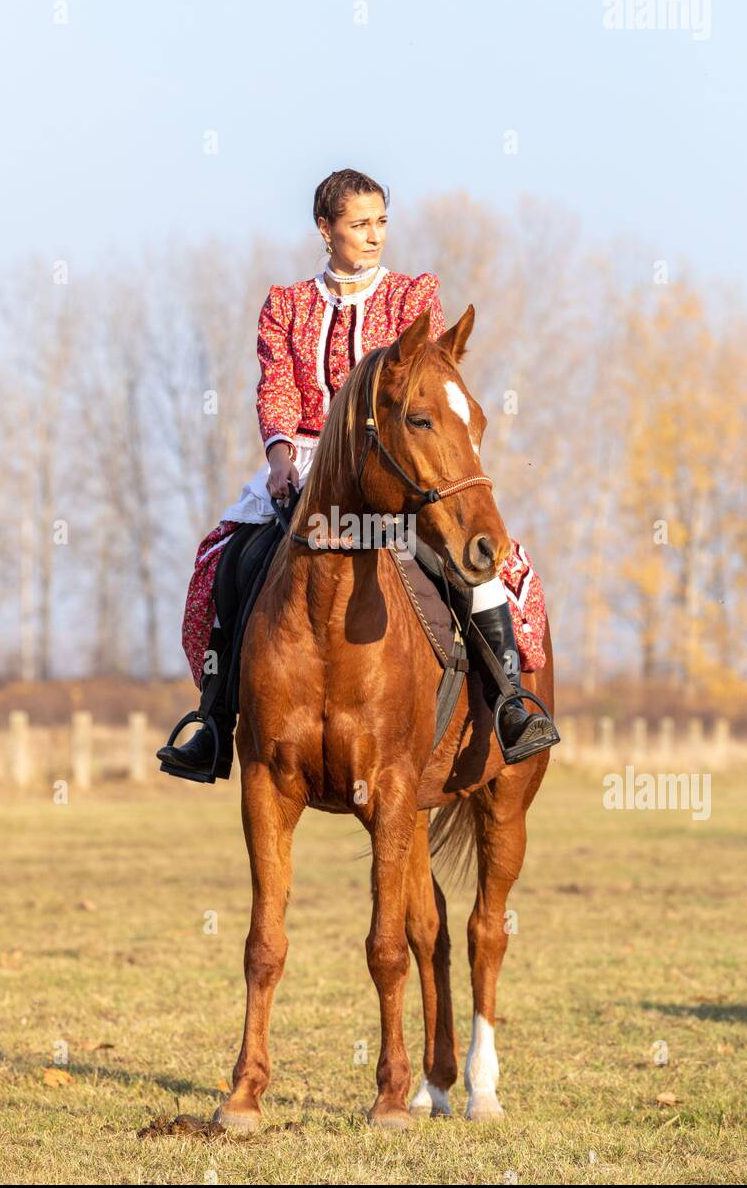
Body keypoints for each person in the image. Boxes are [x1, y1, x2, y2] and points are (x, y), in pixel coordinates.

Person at [157, 168, 558, 779]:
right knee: (222, 559)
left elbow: (425, 381)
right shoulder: (285, 305)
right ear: (326, 229)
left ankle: (508, 702)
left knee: (483, 560)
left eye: (381, 223)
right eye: (360, 224)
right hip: (310, 458)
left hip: (394, 460)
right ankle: (214, 720)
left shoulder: (413, 297)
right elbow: (278, 388)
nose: (375, 236)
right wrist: (280, 455)